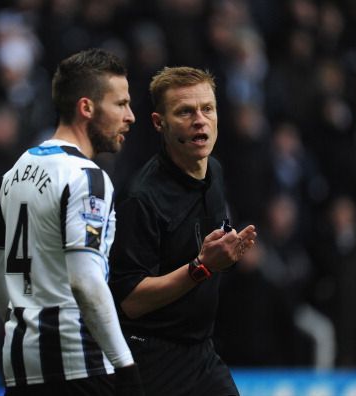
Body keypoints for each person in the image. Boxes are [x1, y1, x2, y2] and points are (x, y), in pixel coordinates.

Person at [0, 48, 144, 396]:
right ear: (86, 107)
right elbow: (85, 280)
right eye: (120, 104)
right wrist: (125, 366)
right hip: (80, 366)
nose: (130, 116)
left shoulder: (16, 172)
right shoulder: (87, 178)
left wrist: (25, 328)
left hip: (21, 364)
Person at [109, 66, 258, 396]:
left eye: (207, 109)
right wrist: (203, 267)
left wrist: (226, 255)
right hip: (149, 360)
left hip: (200, 351)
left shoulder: (215, 172)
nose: (200, 119)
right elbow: (130, 302)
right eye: (185, 112)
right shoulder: (141, 199)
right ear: (159, 123)